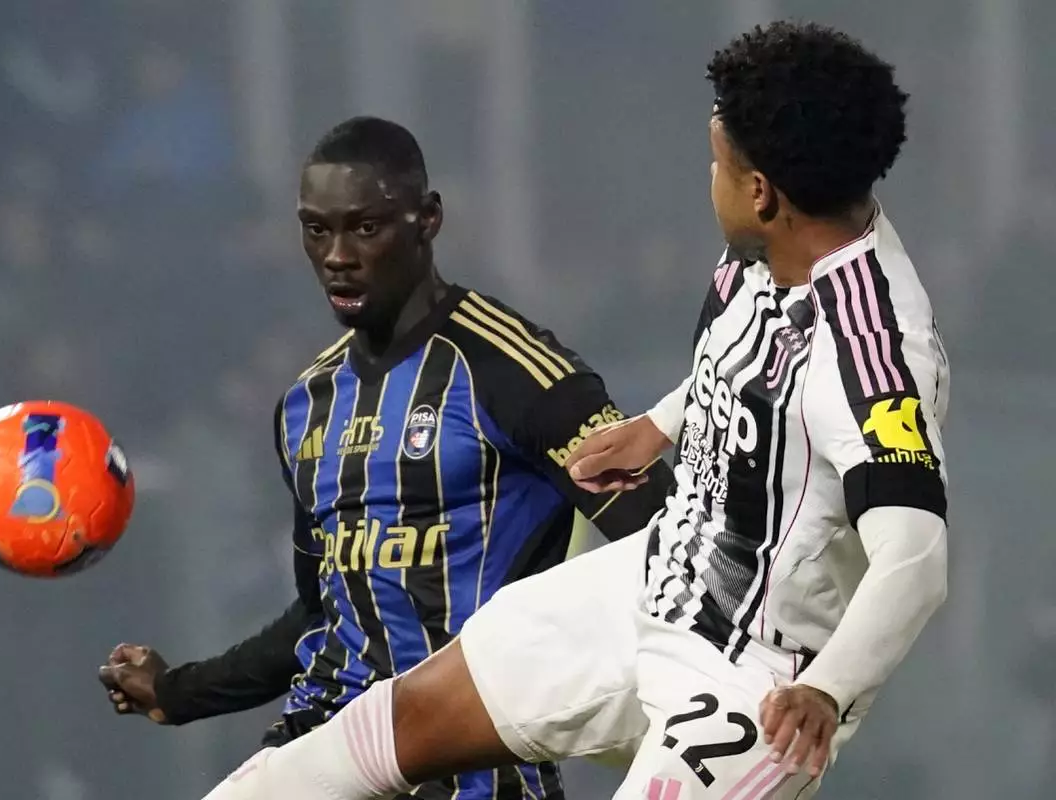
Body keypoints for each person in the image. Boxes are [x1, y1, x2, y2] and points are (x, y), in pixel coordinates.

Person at [202, 21, 951, 800]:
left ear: (761, 192)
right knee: (387, 728)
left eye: (719, 163)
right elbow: (756, 364)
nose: (711, 178)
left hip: (760, 684)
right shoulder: (776, 243)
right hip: (653, 583)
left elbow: (916, 555)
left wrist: (828, 689)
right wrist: (660, 425)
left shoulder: (875, 351)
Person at [97, 115, 673, 800]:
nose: (337, 255)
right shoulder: (307, 404)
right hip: (319, 746)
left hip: (467, 771)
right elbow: (326, 613)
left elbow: (675, 545)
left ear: (427, 219)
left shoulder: (514, 372)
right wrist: (180, 690)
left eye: (365, 228)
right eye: (317, 230)